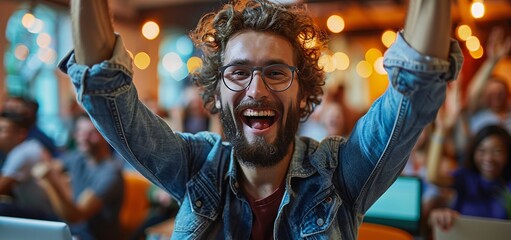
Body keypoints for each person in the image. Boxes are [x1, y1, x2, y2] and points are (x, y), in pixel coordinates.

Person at [59, 0, 462, 239]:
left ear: (303, 92)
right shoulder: (195, 165)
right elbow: (106, 89)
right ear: (216, 93)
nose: (256, 90)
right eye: (238, 73)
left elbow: (416, 82)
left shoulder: (340, 174)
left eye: (275, 72)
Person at [34, 114, 124, 240]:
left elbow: (76, 216)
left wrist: (51, 182)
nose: (83, 137)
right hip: (71, 231)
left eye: (92, 133)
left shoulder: (110, 173)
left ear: (106, 136)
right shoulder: (78, 157)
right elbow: (49, 167)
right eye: (80, 131)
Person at [428, 125, 511, 230]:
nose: (488, 158)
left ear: (508, 154)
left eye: (497, 151)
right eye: (482, 150)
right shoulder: (466, 177)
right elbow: (433, 177)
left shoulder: (508, 185)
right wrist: (440, 130)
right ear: (474, 152)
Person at [0, 111, 57, 221]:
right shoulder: (30, 146)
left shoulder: (23, 153)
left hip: (48, 217)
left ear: (21, 134)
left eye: (2, 130)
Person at [466, 27, 511, 134]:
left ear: (507, 94)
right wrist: (492, 61)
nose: (496, 96)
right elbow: (472, 94)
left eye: (500, 93)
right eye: (491, 93)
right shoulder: (478, 112)